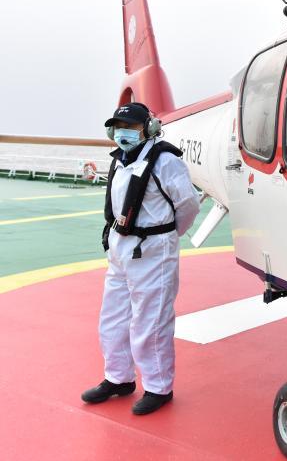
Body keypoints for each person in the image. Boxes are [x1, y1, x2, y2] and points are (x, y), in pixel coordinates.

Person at [81, 102, 200, 415]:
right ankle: (118, 378)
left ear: (148, 128)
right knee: (112, 319)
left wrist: (166, 238)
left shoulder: (165, 161)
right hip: (120, 249)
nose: (123, 133)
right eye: (118, 128)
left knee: (151, 322)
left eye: (131, 127)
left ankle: (159, 387)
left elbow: (188, 205)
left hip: (152, 250)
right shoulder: (120, 160)